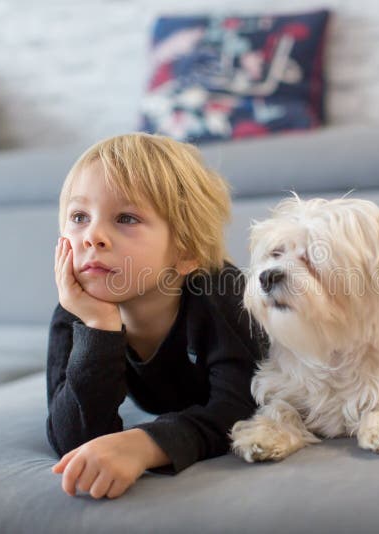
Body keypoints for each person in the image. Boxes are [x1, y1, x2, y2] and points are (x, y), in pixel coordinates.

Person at [47, 133, 267, 500]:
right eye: (79, 216)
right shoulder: (75, 311)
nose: (92, 236)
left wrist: (147, 443)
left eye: (126, 218)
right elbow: (73, 440)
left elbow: (244, 408)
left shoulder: (223, 295)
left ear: (184, 252)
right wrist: (99, 328)